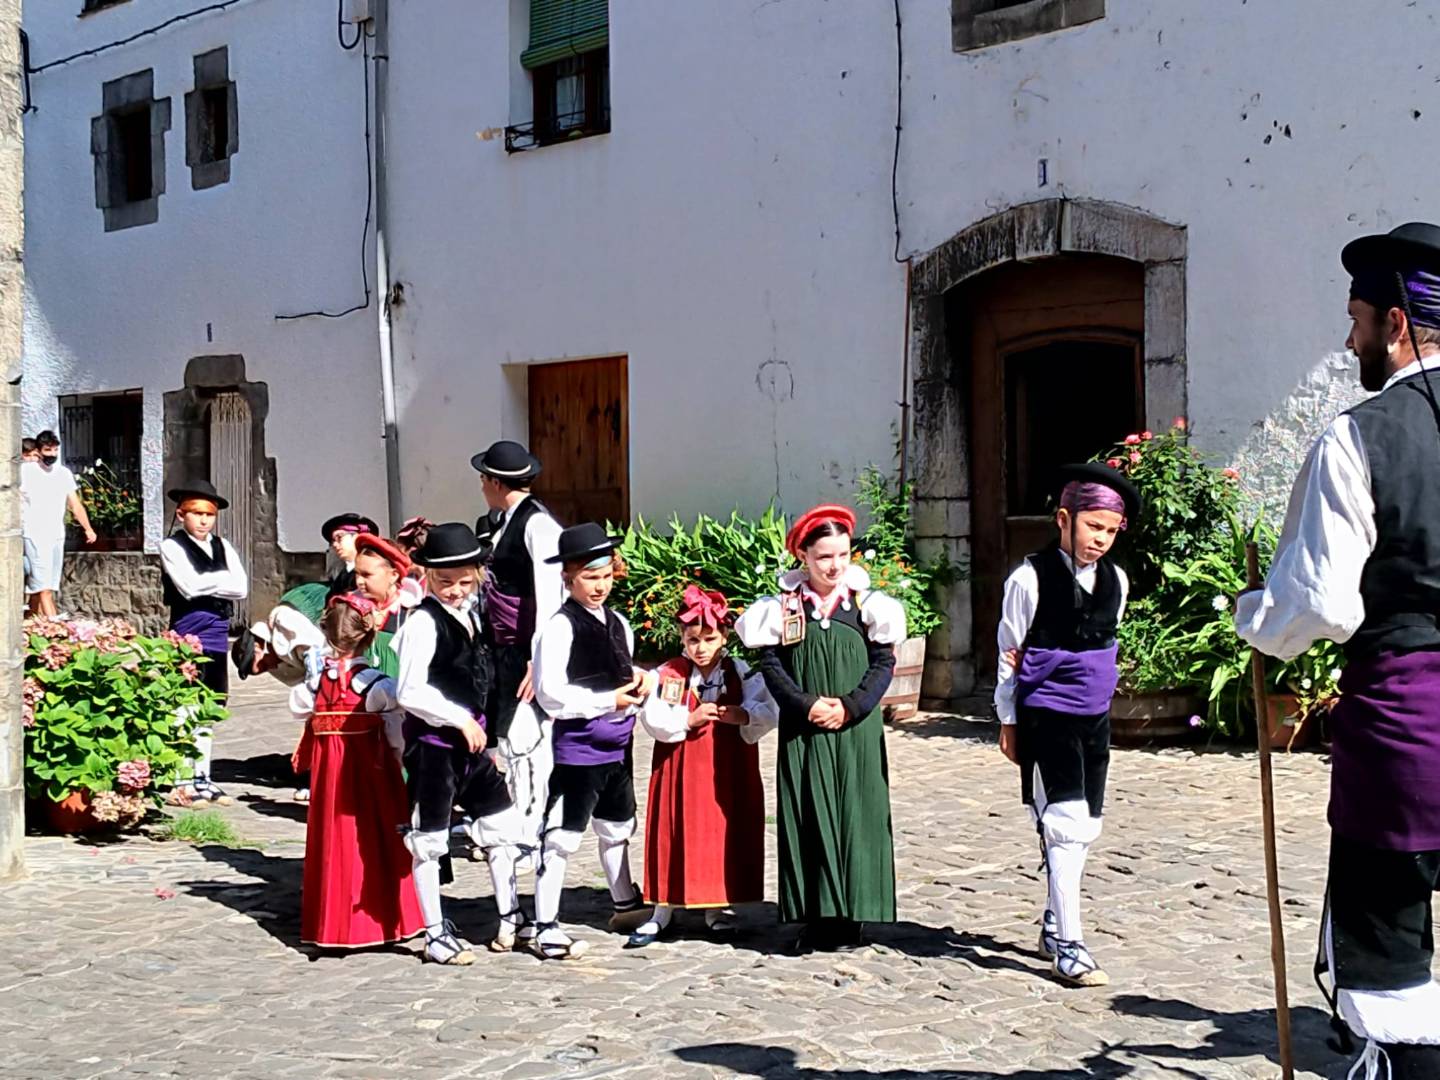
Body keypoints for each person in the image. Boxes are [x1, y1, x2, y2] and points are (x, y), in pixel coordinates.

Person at [1236, 222, 1440, 1077]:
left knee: (1390, 963)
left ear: (1394, 324)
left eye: (1355, 319)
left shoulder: (1359, 437)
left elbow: (1317, 602)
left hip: (1412, 734)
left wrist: (1256, 616)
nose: (1348, 338)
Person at [993, 463, 1139, 988]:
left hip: (1092, 716)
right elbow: (1010, 652)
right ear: (1063, 519)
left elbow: (1104, 645)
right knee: (1064, 820)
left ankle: (1054, 920)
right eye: (1091, 526)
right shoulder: (1028, 579)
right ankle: (1070, 942)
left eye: (1109, 530)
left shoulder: (1115, 582)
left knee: (1087, 825)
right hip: (1046, 712)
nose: (1099, 540)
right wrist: (1008, 718)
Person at [736, 505, 906, 953]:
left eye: (843, 555)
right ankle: (815, 915)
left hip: (856, 729)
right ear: (803, 557)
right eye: (824, 557)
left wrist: (850, 707)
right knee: (807, 812)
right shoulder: (783, 609)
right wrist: (806, 705)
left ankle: (854, 912)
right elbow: (772, 665)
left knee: (857, 811)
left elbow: (884, 662)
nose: (835, 566)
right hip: (804, 728)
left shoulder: (866, 606)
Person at [391, 522, 527, 964]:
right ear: (427, 576)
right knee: (429, 840)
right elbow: (408, 691)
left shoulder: (474, 613)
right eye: (445, 581)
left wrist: (487, 733)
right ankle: (435, 934)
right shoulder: (422, 624)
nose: (455, 590)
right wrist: (457, 719)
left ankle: (511, 918)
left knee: (502, 829)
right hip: (434, 749)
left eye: (465, 581)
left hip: (473, 748)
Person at [627, 584, 778, 948]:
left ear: (723, 637)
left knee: (717, 833)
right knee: (674, 828)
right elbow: (656, 716)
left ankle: (714, 906)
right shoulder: (671, 673)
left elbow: (768, 708)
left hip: (726, 768)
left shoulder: (738, 672)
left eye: (708, 638)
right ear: (682, 637)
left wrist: (742, 714)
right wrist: (687, 720)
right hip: (681, 766)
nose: (700, 647)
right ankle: (662, 907)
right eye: (692, 639)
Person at [530, 522, 655, 960]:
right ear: (568, 576)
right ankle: (544, 923)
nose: (599, 586)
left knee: (617, 826)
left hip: (618, 747)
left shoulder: (619, 622)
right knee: (561, 835)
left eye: (605, 576)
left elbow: (621, 668)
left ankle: (624, 901)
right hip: (578, 752)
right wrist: (607, 700)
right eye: (589, 577)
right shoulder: (559, 628)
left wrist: (638, 679)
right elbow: (551, 693)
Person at [288, 592, 425, 949]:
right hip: (370, 773)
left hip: (330, 776)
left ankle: (331, 924)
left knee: (334, 840)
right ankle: (384, 921)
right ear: (369, 635)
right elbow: (396, 733)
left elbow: (301, 710)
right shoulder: (376, 685)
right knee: (373, 840)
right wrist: (400, 763)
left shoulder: (315, 684)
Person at [159, 480, 248, 804]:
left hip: (217, 635)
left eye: (209, 514)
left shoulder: (224, 547)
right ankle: (181, 779)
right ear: (182, 514)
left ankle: (203, 777)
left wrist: (211, 583)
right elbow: (188, 587)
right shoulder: (172, 547)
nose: (203, 520)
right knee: (186, 706)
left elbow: (241, 588)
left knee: (210, 708)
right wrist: (219, 581)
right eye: (196, 513)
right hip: (186, 633)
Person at [21, 430, 95, 617]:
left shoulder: (63, 473)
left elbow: (75, 504)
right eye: (47, 450)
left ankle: (33, 623)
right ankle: (55, 628)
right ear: (38, 451)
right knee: (43, 586)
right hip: (34, 533)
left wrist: (88, 528)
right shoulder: (25, 471)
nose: (52, 454)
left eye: (55, 450)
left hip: (56, 534)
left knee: (49, 585)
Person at [322, 512, 380, 599]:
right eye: (332, 541)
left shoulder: (376, 569)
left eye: (339, 537)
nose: (334, 544)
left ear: (359, 537)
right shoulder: (342, 575)